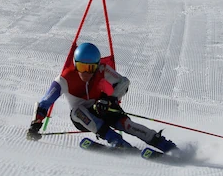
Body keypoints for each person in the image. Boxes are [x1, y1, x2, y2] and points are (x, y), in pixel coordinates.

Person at [27, 42, 178, 153]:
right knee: (77, 111)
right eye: (82, 67)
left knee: (125, 124)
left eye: (90, 68)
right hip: (82, 119)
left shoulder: (102, 70)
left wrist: (111, 99)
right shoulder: (64, 79)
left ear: (97, 65)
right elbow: (45, 102)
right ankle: (116, 141)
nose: (86, 73)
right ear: (75, 64)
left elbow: (123, 82)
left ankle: (163, 144)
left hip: (101, 107)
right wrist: (36, 123)